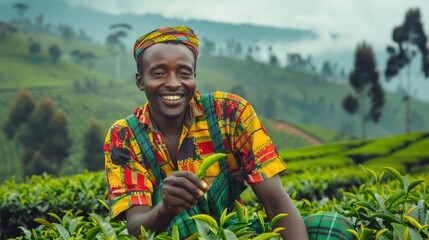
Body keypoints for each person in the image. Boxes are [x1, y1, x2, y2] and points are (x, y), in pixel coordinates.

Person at [104, 26, 353, 240]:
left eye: (184, 73)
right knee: (183, 210)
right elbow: (135, 228)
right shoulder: (123, 136)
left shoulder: (231, 113)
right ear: (140, 81)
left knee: (333, 228)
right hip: (169, 233)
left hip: (228, 231)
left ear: (194, 77)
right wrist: (166, 208)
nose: (173, 83)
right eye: (159, 73)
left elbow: (275, 201)